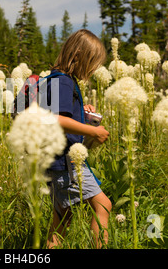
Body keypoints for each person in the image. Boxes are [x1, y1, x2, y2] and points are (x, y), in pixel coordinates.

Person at [45, 29, 112, 249]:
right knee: (103, 205)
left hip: (54, 160)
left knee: (63, 218)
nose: (93, 70)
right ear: (79, 56)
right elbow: (56, 120)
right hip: (66, 161)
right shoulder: (64, 82)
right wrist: (92, 131)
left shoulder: (56, 78)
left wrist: (80, 111)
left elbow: (59, 113)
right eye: (92, 63)